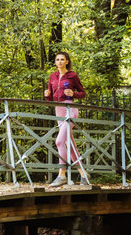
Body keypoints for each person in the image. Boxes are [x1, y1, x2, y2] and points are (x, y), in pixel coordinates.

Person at [44, 51, 89, 187]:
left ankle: (61, 174)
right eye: (57, 59)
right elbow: (51, 98)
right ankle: (83, 174)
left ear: (67, 61)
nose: (60, 61)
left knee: (59, 141)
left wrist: (73, 93)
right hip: (59, 111)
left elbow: (82, 93)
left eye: (62, 59)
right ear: (55, 62)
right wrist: (47, 95)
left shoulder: (72, 75)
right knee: (69, 144)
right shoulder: (52, 76)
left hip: (70, 110)